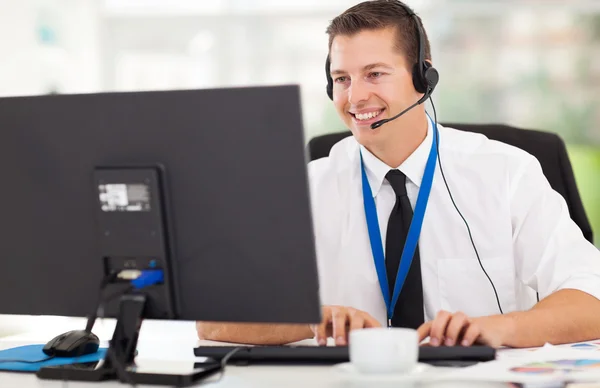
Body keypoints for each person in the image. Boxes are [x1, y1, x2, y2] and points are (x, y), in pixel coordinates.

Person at [197, 0, 600, 348]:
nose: (355, 97)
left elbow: (592, 300)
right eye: (342, 79)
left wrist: (496, 327)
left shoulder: (507, 172)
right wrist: (312, 321)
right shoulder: (305, 189)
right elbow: (213, 320)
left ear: (424, 78)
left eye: (375, 74)